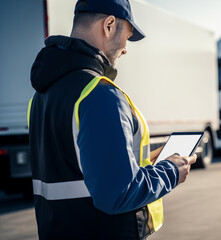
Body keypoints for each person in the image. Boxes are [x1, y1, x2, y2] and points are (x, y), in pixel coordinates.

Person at [27, 0, 196, 239]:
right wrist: (171, 171)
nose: (126, 48)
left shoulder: (41, 96)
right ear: (108, 25)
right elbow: (118, 194)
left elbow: (75, 169)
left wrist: (135, 164)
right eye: (127, 35)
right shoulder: (99, 95)